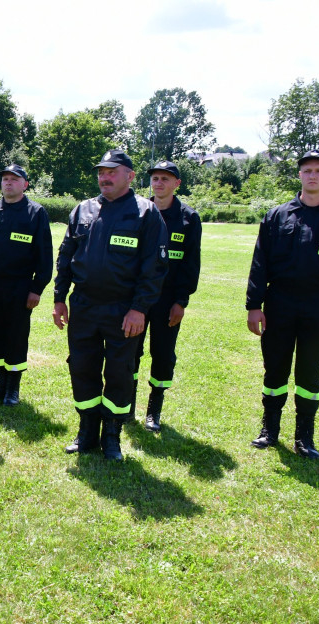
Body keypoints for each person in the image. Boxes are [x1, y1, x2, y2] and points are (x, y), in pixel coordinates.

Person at [246, 149, 319, 459]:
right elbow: (260, 263)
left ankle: (304, 437)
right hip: (279, 302)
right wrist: (253, 305)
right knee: (275, 369)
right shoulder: (278, 215)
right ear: (299, 175)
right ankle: (269, 430)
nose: (312, 175)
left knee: (310, 373)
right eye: (307, 170)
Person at [52, 149, 168, 460]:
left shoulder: (146, 213)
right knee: (82, 367)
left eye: (112, 171)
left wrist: (140, 308)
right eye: (101, 171)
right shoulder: (83, 210)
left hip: (123, 309)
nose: (104, 176)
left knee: (119, 372)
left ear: (130, 176)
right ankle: (87, 430)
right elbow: (65, 256)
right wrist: (59, 298)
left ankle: (112, 435)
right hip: (85, 306)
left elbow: (153, 267)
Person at [131, 160, 202, 432]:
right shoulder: (138, 211)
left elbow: (190, 264)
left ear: (176, 184)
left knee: (162, 353)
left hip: (167, 299)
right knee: (130, 352)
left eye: (165, 178)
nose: (158, 183)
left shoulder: (188, 218)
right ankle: (126, 404)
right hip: (137, 299)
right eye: (155, 178)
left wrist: (181, 301)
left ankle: (154, 411)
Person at [0, 164, 53, 406]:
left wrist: (36, 288)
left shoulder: (35, 213)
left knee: (16, 336)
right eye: (5, 179)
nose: (8, 183)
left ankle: (13, 388)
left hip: (20, 288)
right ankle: (0, 384)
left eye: (14, 179)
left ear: (25, 184)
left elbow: (44, 254)